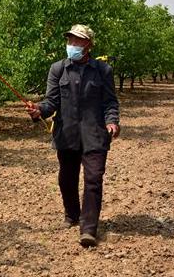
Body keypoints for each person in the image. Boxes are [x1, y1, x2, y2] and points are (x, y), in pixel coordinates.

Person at [26, 24, 120, 247]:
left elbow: (110, 102)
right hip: (67, 134)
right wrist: (39, 109)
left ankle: (88, 228)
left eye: (77, 41)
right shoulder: (58, 69)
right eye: (70, 41)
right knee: (67, 178)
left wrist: (112, 121)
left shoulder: (103, 71)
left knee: (93, 179)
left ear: (88, 44)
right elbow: (52, 102)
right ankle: (72, 214)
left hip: (95, 134)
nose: (72, 45)